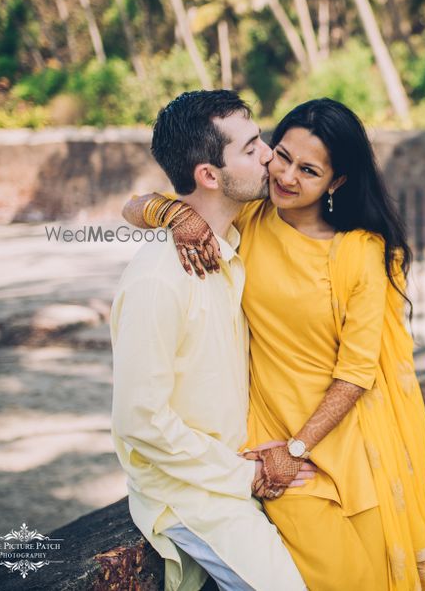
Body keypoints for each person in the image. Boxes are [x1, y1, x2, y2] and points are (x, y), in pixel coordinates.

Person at [124, 98, 425, 590]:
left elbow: (357, 372)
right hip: (271, 441)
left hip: (339, 441)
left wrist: (298, 447)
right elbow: (140, 204)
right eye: (280, 155)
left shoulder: (361, 252)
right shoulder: (251, 220)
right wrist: (172, 214)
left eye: (308, 169)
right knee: (339, 576)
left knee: (372, 576)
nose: (285, 173)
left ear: (336, 182)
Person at [111, 90, 313, 591]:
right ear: (208, 175)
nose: (269, 155)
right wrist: (242, 476)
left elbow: (135, 206)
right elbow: (139, 420)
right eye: (251, 148)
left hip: (235, 467)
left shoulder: (227, 242)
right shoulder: (159, 279)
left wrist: (170, 211)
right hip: (191, 491)